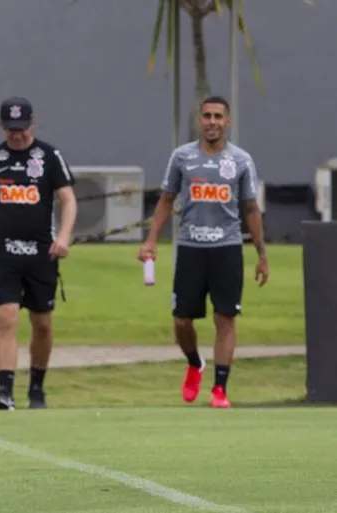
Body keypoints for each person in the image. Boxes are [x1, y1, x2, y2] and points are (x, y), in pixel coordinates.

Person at [138, 95, 269, 409]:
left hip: (227, 248)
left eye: (218, 116)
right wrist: (151, 240)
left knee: (225, 319)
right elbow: (166, 200)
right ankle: (195, 363)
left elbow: (250, 207)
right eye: (207, 116)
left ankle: (220, 389)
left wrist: (261, 255)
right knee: (182, 320)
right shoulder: (182, 157)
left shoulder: (240, 160)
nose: (212, 122)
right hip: (191, 248)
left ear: (228, 121)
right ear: (201, 120)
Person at [0, 96, 78, 410]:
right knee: (6, 318)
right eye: (10, 128)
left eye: (22, 128)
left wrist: (65, 237)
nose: (17, 134)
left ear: (32, 123)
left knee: (42, 323)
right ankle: (4, 391)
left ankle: (37, 388)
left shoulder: (49, 156)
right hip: (4, 254)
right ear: (2, 127)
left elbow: (68, 200)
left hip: (42, 254)